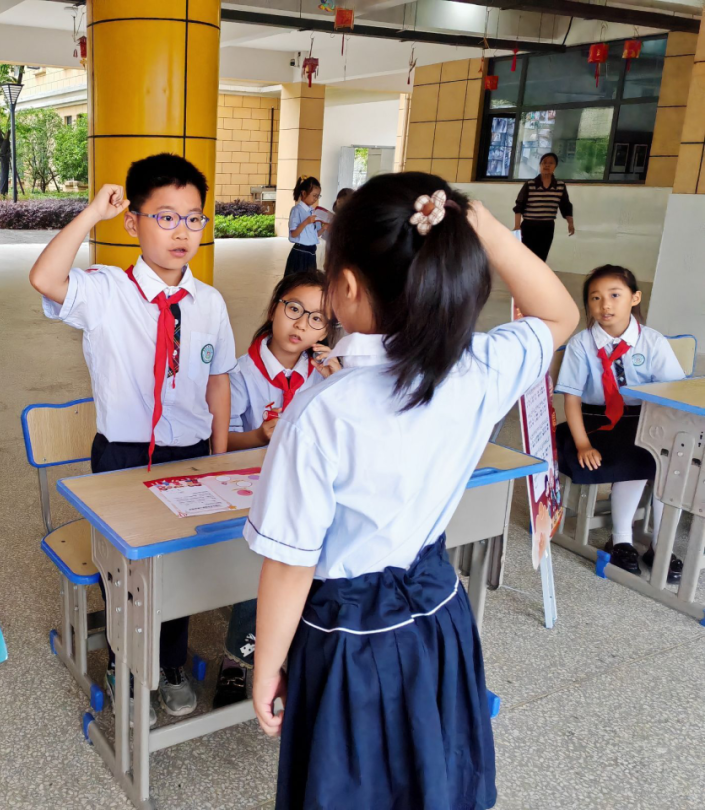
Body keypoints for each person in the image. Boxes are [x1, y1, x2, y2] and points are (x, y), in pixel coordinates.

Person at [244, 172, 579, 809]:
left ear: (342, 286)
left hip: (346, 635)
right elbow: (559, 313)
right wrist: (484, 228)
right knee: (433, 773)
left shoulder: (320, 411)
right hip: (437, 609)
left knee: (350, 784)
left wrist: (266, 668)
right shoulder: (477, 368)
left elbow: (291, 565)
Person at [29, 152, 235, 725]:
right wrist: (92, 212)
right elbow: (45, 278)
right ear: (134, 222)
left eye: (194, 218)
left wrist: (216, 456)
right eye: (165, 217)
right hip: (120, 457)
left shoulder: (210, 303)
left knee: (177, 566)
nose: (182, 232)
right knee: (122, 569)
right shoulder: (105, 292)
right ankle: (125, 658)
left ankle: (168, 661)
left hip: (189, 455)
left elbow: (218, 379)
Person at [213, 270, 341, 708]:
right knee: (257, 571)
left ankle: (292, 650)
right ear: (274, 309)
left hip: (299, 493)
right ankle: (237, 660)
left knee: (307, 565)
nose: (302, 325)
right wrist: (263, 436)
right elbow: (222, 441)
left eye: (318, 320)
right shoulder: (239, 372)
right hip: (245, 489)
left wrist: (342, 382)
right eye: (294, 309)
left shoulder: (323, 372)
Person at [554, 265, 687, 582]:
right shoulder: (581, 344)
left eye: (615, 295)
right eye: (595, 298)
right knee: (636, 459)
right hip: (594, 423)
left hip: (645, 420)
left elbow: (671, 394)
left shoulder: (652, 342)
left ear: (634, 298)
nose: (605, 305)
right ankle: (622, 538)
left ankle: (661, 544)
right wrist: (583, 442)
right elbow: (571, 399)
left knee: (669, 463)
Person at [514, 152, 574, 261]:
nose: (547, 165)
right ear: (540, 165)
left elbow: (565, 205)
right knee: (525, 256)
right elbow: (519, 206)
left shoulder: (560, 186)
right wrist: (517, 226)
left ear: (555, 167)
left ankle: (535, 278)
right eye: (544, 163)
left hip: (547, 227)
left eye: (550, 163)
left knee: (541, 258)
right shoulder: (530, 184)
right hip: (529, 226)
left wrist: (570, 223)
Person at [285, 176, 323, 277]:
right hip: (300, 253)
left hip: (311, 252)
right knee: (296, 285)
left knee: (308, 284)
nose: (315, 199)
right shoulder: (296, 210)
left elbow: (314, 235)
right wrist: (306, 222)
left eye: (318, 196)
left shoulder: (313, 211)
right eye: (314, 195)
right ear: (304, 193)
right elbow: (293, 234)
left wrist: (324, 228)